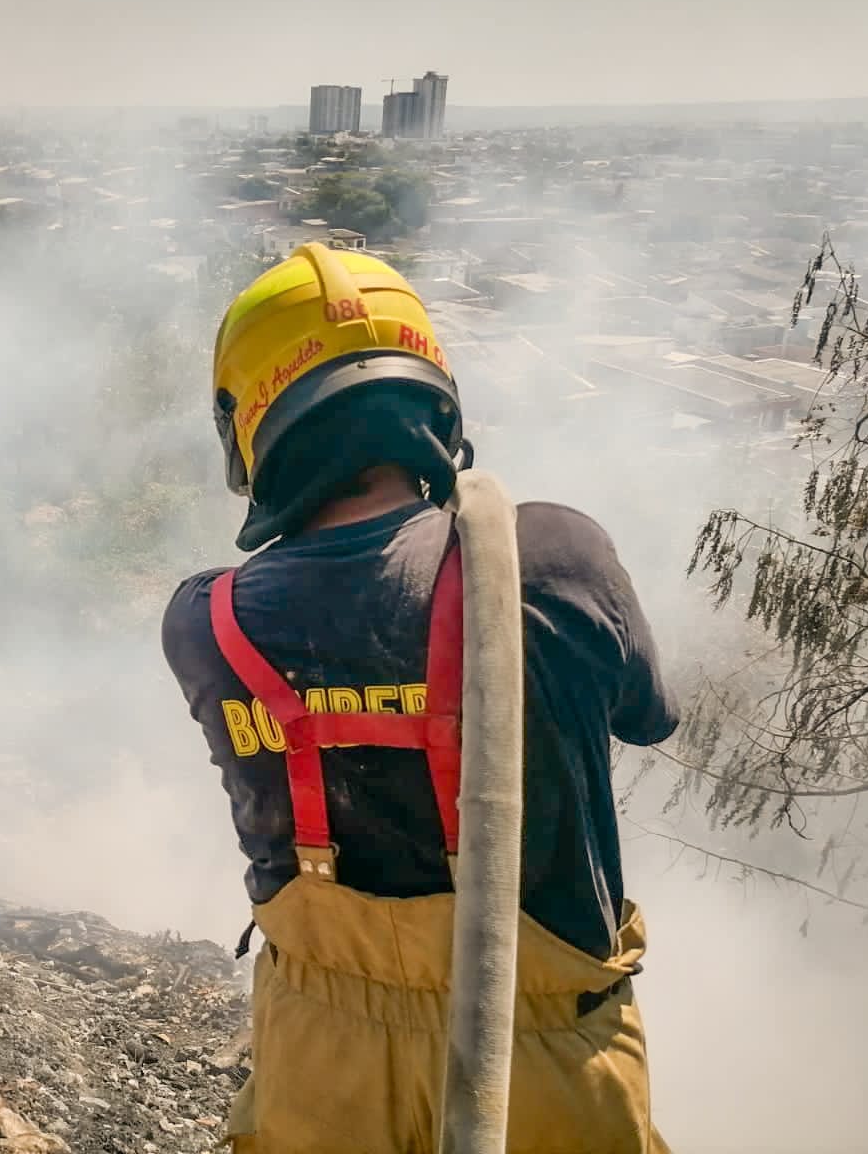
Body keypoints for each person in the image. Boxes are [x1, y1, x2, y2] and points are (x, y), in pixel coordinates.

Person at [161, 243, 678, 1153]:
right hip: (540, 1065)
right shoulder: (551, 560)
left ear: (250, 428)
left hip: (318, 1062)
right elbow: (647, 716)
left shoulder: (209, 621)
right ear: (431, 396)